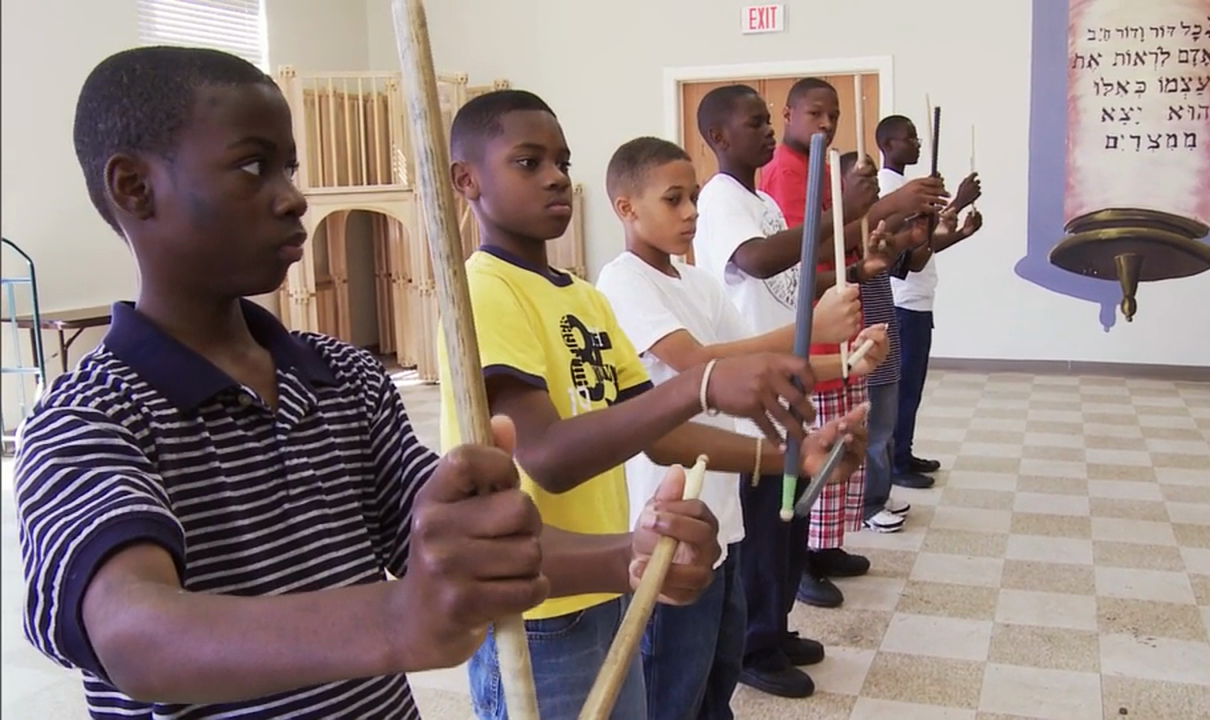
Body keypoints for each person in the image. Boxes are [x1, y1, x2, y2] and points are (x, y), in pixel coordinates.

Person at [11, 46, 726, 720]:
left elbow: (458, 548)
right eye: (254, 168)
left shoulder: (344, 378)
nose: (293, 197)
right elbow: (134, 635)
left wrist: (628, 556)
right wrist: (396, 618)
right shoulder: (85, 417)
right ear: (135, 188)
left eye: (290, 168)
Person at [437, 90, 868, 720]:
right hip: (535, 613)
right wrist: (698, 384)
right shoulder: (483, 289)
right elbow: (550, 457)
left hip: (610, 581)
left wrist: (791, 457)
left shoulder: (581, 297)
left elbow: (663, 434)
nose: (557, 175)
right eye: (529, 162)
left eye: (562, 159)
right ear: (466, 179)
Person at [595, 136, 889, 720]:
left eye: (695, 199)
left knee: (718, 670)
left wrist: (848, 362)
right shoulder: (621, 281)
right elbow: (701, 362)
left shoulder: (698, 283)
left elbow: (750, 363)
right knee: (671, 682)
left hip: (721, 514)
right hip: (667, 515)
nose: (691, 214)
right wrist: (812, 321)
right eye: (673, 200)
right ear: (626, 208)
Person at [690, 84, 947, 699]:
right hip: (751, 387)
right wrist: (848, 214)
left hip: (789, 373)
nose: (766, 131)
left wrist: (859, 269)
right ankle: (754, 644)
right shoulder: (722, 198)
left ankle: (775, 628)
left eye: (765, 121)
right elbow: (755, 263)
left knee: (788, 526)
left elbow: (798, 271)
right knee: (760, 532)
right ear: (720, 137)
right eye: (754, 123)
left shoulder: (762, 201)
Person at [877, 115, 984, 481]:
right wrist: (957, 201)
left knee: (912, 387)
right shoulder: (888, 190)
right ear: (888, 144)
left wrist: (961, 232)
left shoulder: (904, 186)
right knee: (902, 388)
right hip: (902, 302)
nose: (918, 143)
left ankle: (902, 453)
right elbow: (906, 254)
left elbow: (921, 245)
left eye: (918, 137)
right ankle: (894, 464)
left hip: (917, 300)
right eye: (910, 138)